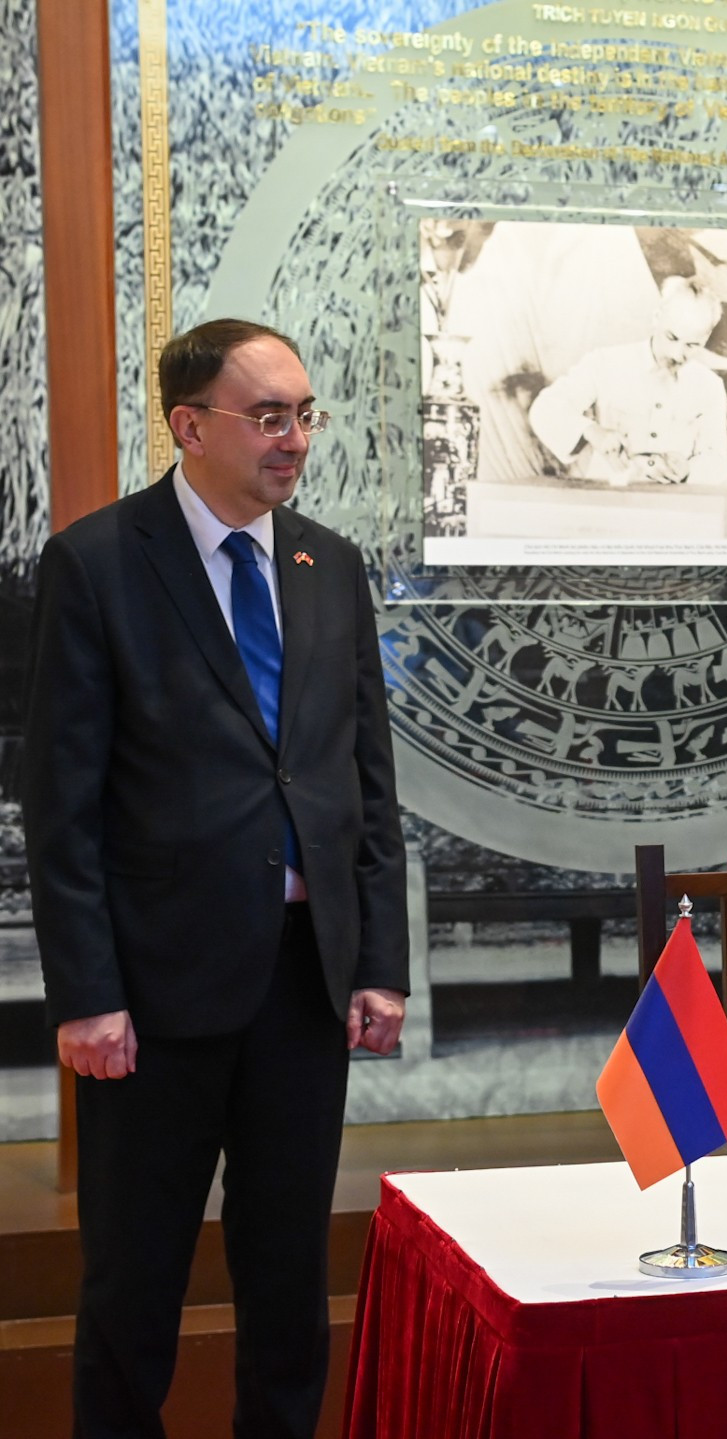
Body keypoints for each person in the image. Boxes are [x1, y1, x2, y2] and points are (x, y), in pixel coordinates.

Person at [23, 319, 410, 1437]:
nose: (294, 439)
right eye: (269, 416)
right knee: (133, 1289)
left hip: (302, 984)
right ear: (189, 426)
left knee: (289, 1283)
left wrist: (376, 960)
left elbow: (361, 784)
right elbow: (63, 801)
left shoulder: (326, 563)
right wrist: (87, 992)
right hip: (150, 996)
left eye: (304, 413)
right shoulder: (98, 562)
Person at [527, 275, 727, 488]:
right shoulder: (604, 363)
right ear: (657, 317)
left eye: (692, 345)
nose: (677, 354)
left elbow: (717, 460)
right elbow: (545, 409)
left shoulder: (710, 386)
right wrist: (591, 431)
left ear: (706, 338)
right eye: (671, 338)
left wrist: (689, 469)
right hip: (607, 506)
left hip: (675, 510)